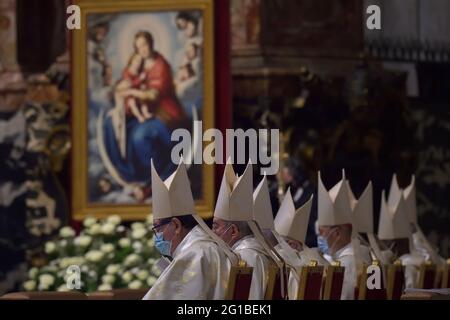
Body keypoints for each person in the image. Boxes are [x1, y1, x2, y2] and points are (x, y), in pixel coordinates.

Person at [101, 31, 187, 200]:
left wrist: (131, 90)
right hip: (146, 113)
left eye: (145, 45)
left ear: (151, 43)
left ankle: (151, 179)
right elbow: (126, 80)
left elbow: (153, 95)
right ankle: (131, 174)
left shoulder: (161, 65)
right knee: (115, 127)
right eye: (138, 46)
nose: (142, 49)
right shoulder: (138, 63)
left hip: (165, 115)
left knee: (140, 136)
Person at [142, 159, 231, 300]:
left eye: (158, 228)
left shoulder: (194, 254)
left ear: (176, 225)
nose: (157, 236)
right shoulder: (205, 246)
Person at [212, 160, 271, 300]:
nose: (211, 232)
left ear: (233, 231)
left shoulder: (246, 257)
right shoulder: (257, 251)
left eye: (215, 226)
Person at [317, 170, 371, 300]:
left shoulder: (344, 265)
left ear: (336, 232)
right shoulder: (364, 254)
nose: (320, 238)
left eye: (322, 232)